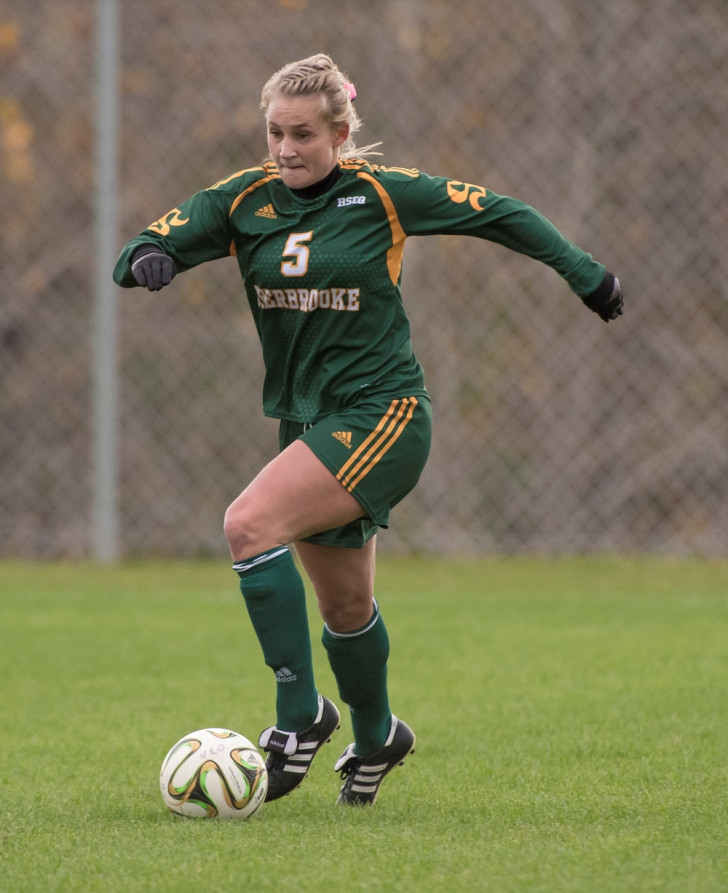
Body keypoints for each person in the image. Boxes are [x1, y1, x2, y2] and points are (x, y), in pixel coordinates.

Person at [113, 53, 623, 806]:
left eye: (303, 135)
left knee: (248, 525)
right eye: (275, 133)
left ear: (341, 132)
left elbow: (502, 212)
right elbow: (136, 253)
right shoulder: (243, 200)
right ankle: (379, 732)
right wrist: (152, 257)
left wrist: (586, 274)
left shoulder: (383, 195)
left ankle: (300, 716)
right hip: (308, 422)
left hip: (384, 413)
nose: (286, 149)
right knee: (345, 611)